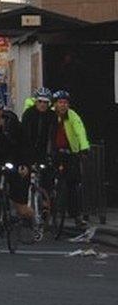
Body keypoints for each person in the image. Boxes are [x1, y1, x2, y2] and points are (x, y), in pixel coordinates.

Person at [0, 96, 35, 227]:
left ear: (0, 113)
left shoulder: (13, 126)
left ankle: (35, 220)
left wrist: (24, 165)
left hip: (14, 164)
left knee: (21, 209)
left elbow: (24, 147)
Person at [49, 90, 91, 228]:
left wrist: (84, 147)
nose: (63, 105)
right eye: (60, 102)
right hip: (53, 153)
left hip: (70, 153)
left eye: (65, 103)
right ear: (54, 104)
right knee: (48, 180)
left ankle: (76, 216)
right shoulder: (49, 115)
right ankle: (46, 212)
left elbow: (80, 131)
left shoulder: (72, 116)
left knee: (73, 184)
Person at [21, 87, 56, 202]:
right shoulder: (28, 114)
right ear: (36, 101)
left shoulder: (52, 116)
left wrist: (50, 155)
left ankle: (47, 203)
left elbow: (52, 137)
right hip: (29, 150)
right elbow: (24, 135)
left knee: (47, 177)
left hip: (44, 151)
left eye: (45, 102)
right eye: (40, 101)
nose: (42, 104)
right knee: (23, 177)